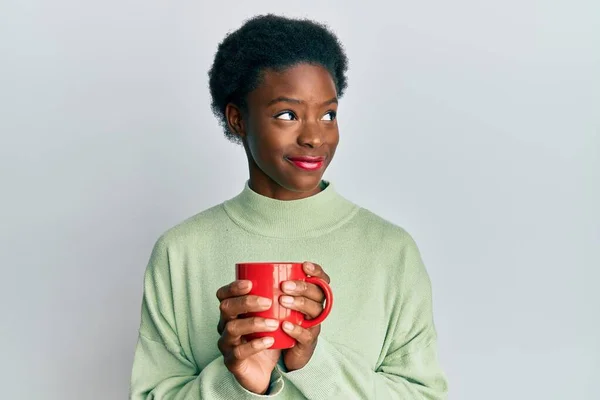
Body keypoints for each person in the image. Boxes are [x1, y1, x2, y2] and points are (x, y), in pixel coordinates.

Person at [130, 14, 448, 399]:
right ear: (237, 120)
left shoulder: (391, 250)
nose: (315, 136)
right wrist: (238, 381)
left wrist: (313, 362)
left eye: (328, 114)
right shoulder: (180, 252)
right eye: (287, 115)